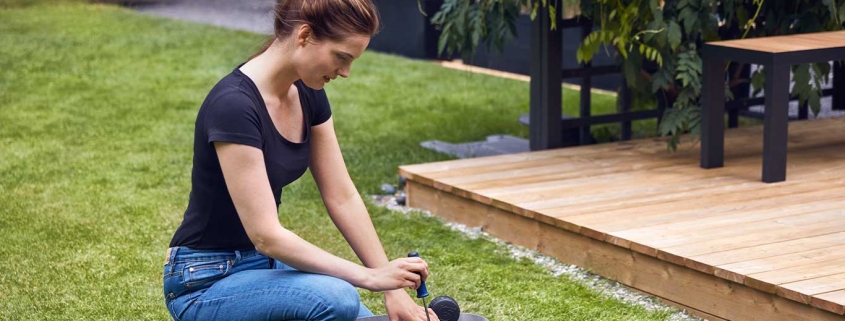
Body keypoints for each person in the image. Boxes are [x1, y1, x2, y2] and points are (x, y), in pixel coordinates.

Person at [162, 0, 439, 320]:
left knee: (355, 313)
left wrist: (394, 291)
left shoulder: (309, 93)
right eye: (342, 57)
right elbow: (266, 235)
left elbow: (342, 195)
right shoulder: (234, 106)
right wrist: (371, 278)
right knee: (337, 299)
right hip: (204, 281)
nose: (346, 72)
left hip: (263, 268)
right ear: (305, 35)